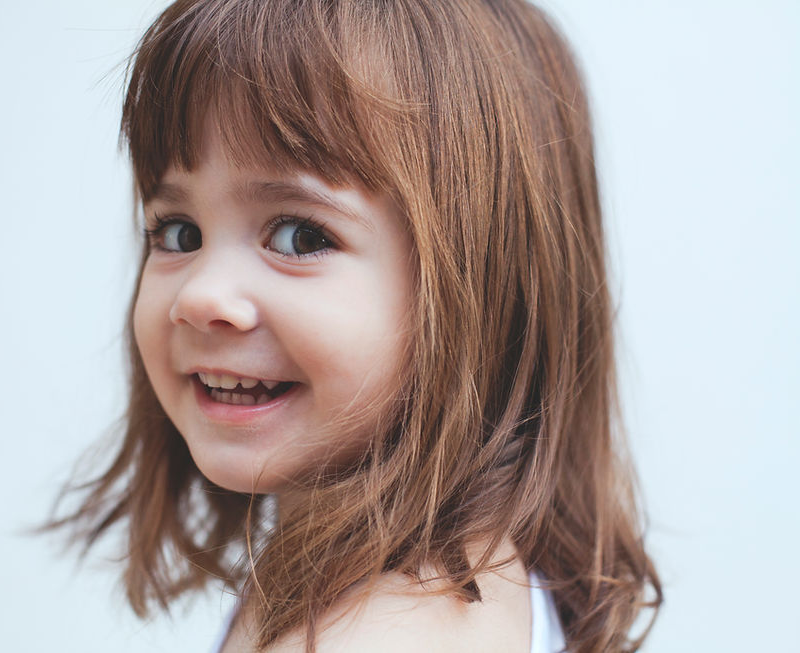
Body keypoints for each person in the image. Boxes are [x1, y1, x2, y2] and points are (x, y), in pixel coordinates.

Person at [50, 0, 662, 650]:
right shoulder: (443, 575)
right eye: (179, 232)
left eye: (298, 234)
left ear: (487, 280)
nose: (202, 295)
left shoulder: (378, 632)